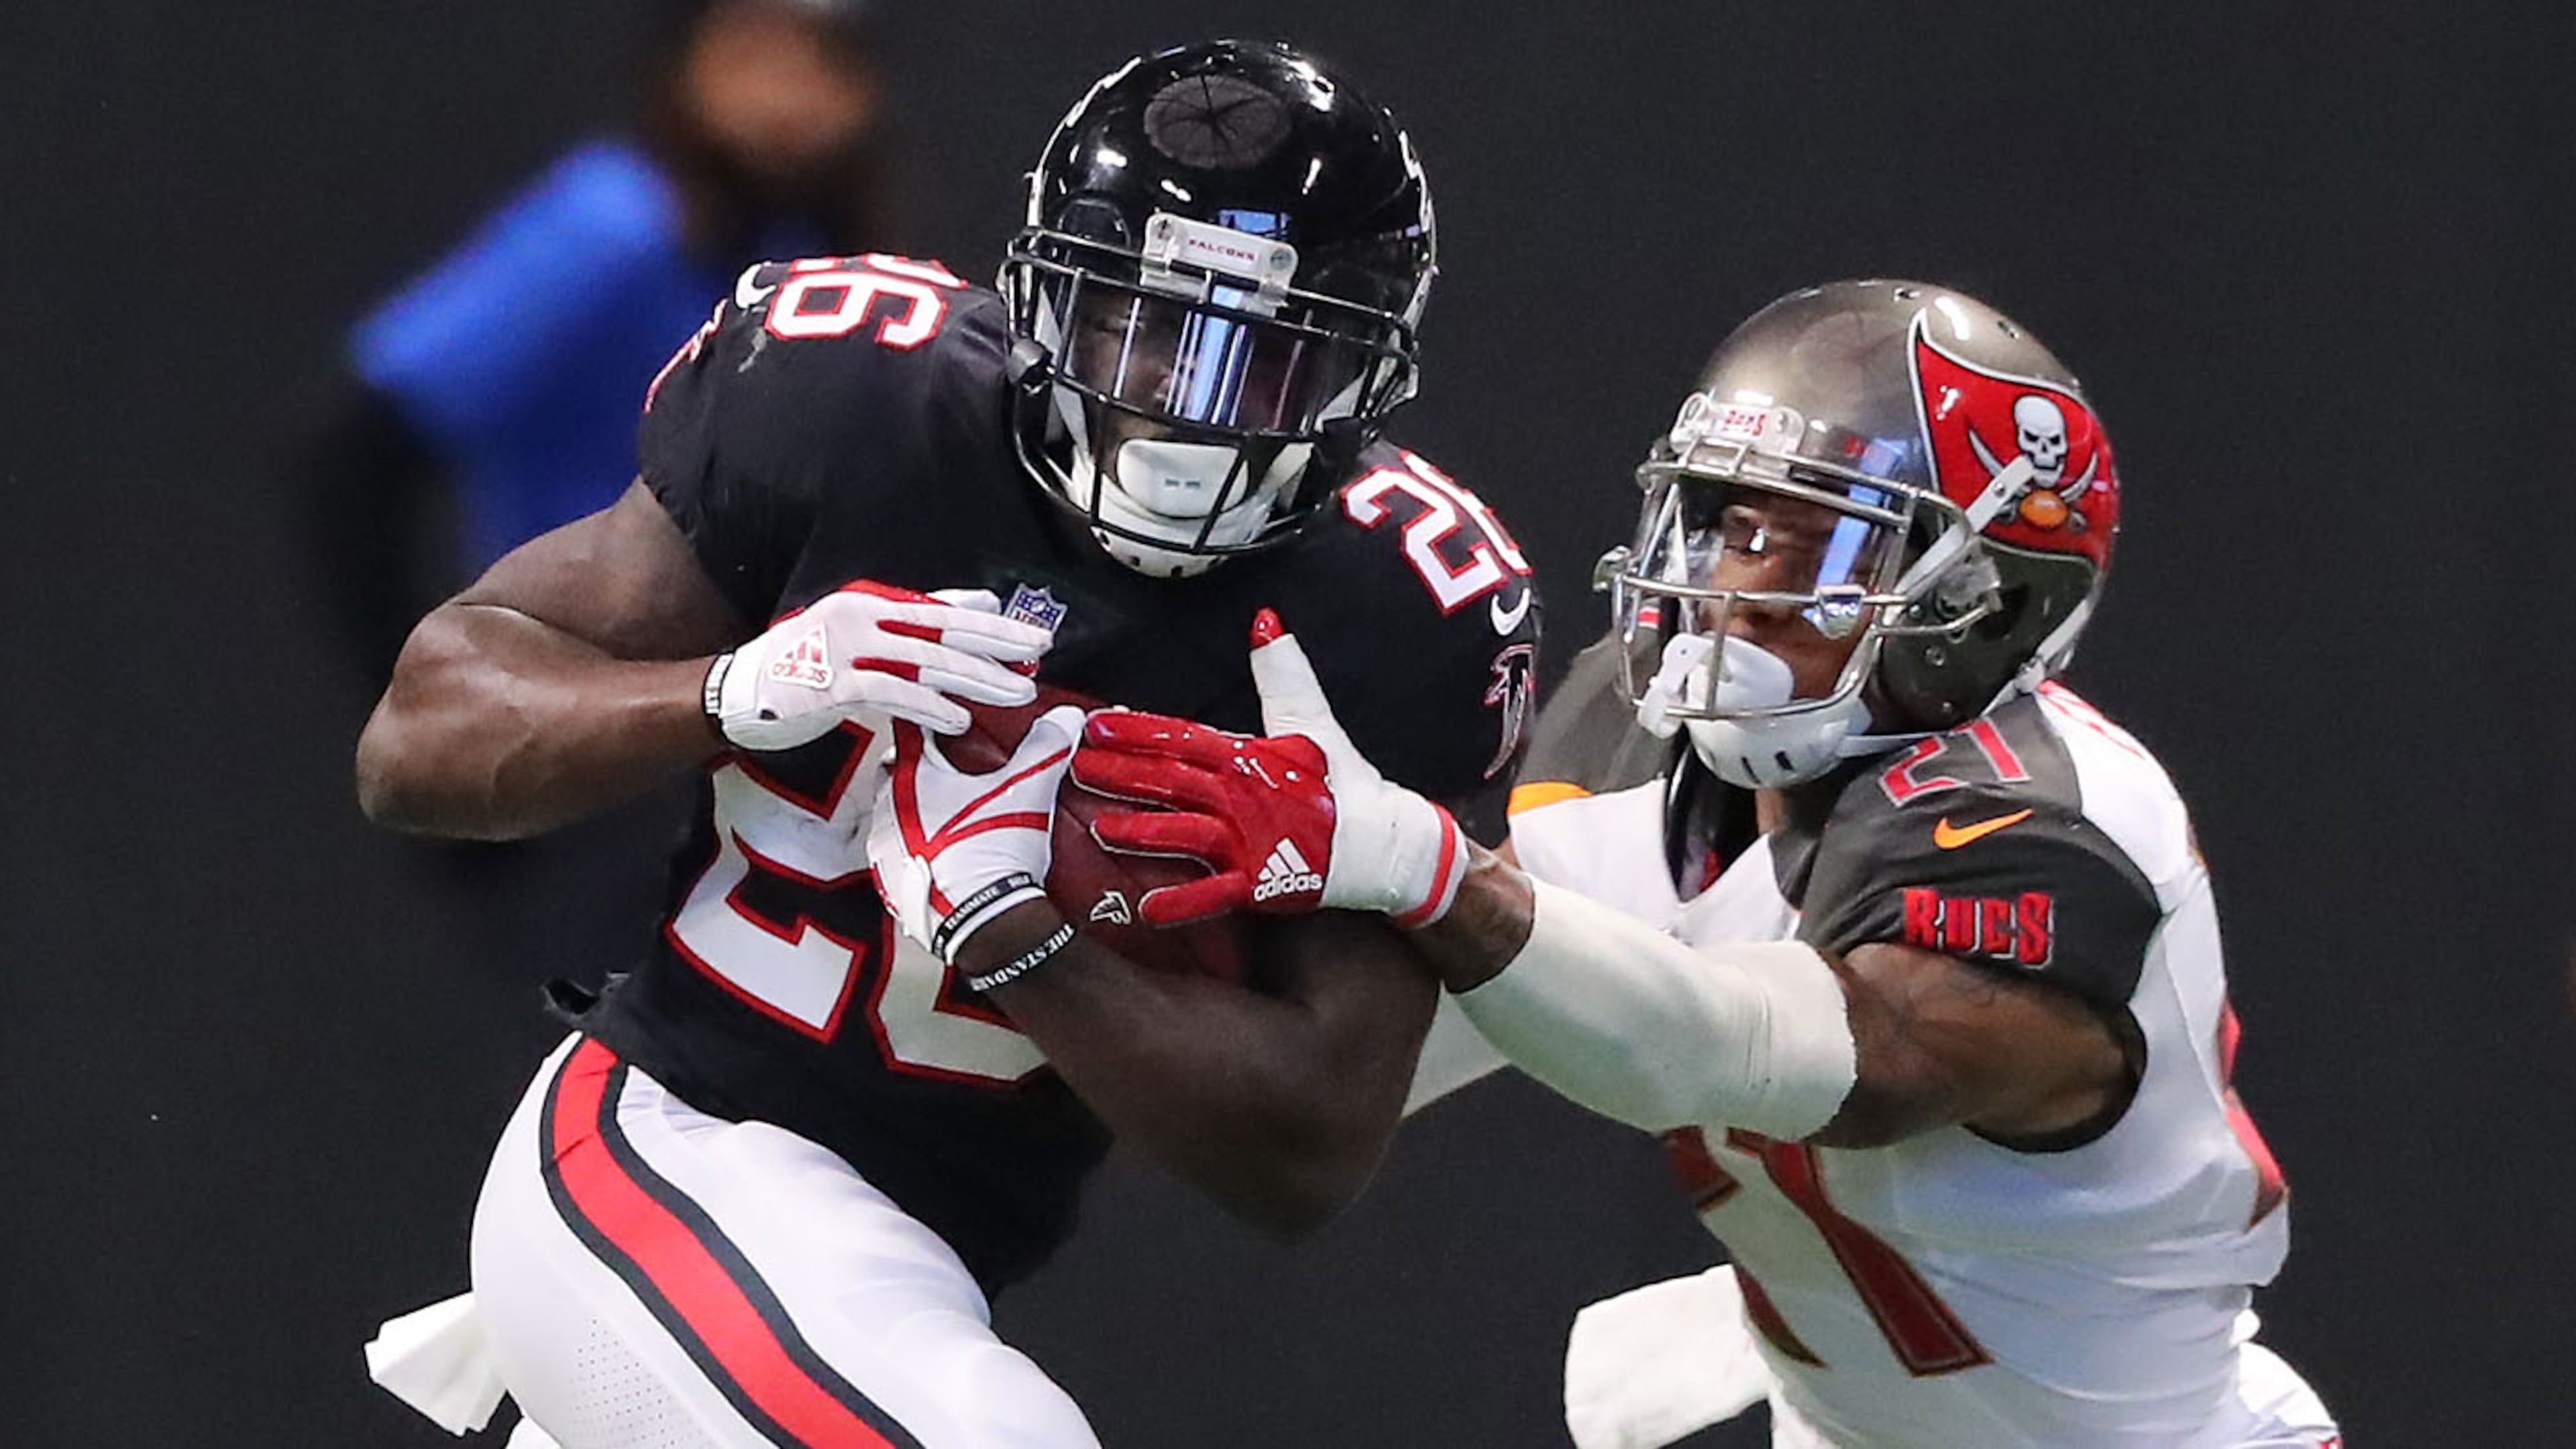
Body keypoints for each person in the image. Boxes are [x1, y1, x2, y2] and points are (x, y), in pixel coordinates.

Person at [354, 39, 1538, 1448]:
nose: (1189, 413)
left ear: (1368, 374)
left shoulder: (1404, 616)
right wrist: (728, 690)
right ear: (1043, 300)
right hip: (665, 1138)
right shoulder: (858, 404)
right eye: (1146, 328)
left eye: (1268, 364)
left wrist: (1016, 936)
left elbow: (1309, 1150)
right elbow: (415, 741)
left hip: (908, 1278)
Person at [1071, 281, 2341, 1447]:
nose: (1731, 594)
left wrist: (1425, 870)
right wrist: (1047, 901)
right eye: (1732, 528)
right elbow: (1366, 1063)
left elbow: (1804, 1064)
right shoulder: (1640, 736)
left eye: (1827, 547)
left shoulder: (2045, 820)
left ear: (1988, 606)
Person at [304, 0, 894, 680]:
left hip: (739, 705)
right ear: (685, 63)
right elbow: (354, 450)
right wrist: (426, 694)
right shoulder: (615, 229)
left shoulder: (811, 253)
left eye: (822, 61)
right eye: (752, 54)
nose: (787, 94)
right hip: (579, 701)